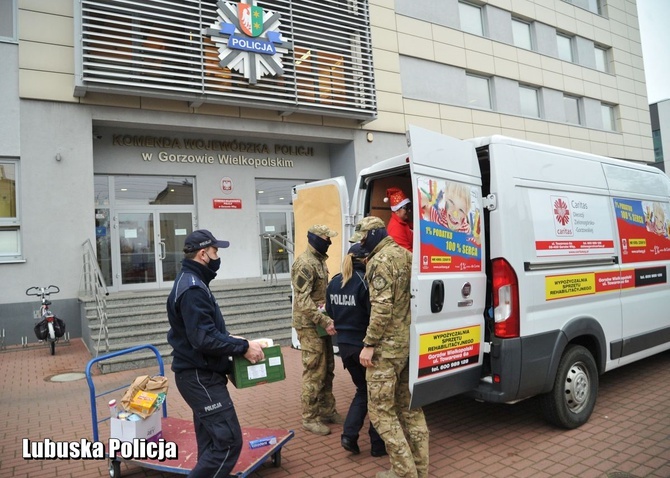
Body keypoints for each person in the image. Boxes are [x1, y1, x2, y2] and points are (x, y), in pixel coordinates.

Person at [166, 229, 266, 478]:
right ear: (203, 254)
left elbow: (204, 331)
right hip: (200, 377)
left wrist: (234, 340)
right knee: (228, 442)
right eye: (215, 251)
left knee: (212, 443)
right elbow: (203, 338)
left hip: (200, 374)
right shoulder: (193, 289)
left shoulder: (194, 282)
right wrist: (242, 347)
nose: (217, 255)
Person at [350, 216, 430, 478]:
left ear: (373, 235)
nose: (361, 245)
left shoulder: (380, 261)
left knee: (380, 412)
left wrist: (369, 343)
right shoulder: (406, 255)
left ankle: (404, 472)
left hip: (385, 349)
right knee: (410, 408)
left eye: (362, 239)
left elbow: (381, 308)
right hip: (407, 345)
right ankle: (419, 468)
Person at [325, 243, 387, 458]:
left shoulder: (334, 282)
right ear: (366, 260)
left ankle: (349, 435)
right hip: (364, 348)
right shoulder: (366, 282)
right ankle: (378, 445)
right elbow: (375, 316)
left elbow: (330, 312)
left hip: (345, 348)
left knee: (364, 391)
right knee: (377, 396)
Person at [291, 224, 344, 436]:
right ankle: (310, 417)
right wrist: (324, 321)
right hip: (309, 324)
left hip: (320, 323)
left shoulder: (320, 260)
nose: (329, 242)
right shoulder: (304, 263)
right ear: (314, 239)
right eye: (326, 238)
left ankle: (327, 409)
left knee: (328, 368)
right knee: (314, 371)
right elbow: (303, 300)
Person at [384, 187, 413, 252]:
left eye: (409, 207)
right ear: (396, 211)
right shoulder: (396, 228)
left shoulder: (404, 222)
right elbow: (406, 253)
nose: (409, 210)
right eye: (405, 208)